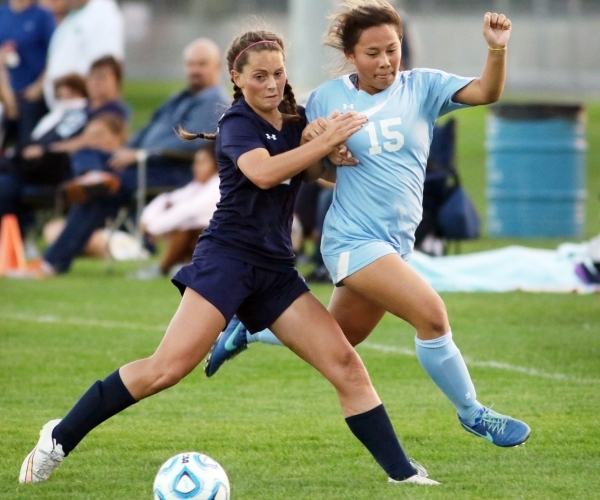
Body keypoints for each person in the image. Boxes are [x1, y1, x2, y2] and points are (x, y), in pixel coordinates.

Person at [19, 29, 439, 487]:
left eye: (278, 73)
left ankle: (404, 477)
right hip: (227, 262)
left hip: (276, 271)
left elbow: (316, 170)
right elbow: (262, 173)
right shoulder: (236, 123)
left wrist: (333, 153)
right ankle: (57, 437)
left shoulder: (295, 121)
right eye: (260, 76)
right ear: (237, 79)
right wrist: (321, 145)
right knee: (166, 369)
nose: (273, 84)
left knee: (345, 365)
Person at [205, 0, 531, 450]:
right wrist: (325, 151)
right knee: (432, 316)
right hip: (352, 240)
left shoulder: (424, 86)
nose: (385, 61)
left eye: (392, 49)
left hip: (395, 243)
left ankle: (249, 330)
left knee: (341, 340)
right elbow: (305, 165)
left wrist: (497, 50)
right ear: (351, 56)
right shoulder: (327, 99)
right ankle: (475, 413)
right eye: (373, 53)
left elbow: (486, 93)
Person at [13, 38, 230, 277]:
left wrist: (139, 154)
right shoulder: (177, 97)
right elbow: (147, 130)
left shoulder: (214, 102)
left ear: (217, 67)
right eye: (190, 64)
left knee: (101, 191)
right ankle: (91, 178)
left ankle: (51, 262)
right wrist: (125, 151)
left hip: (171, 168)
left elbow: (191, 141)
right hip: (137, 165)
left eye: (201, 64)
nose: (194, 70)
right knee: (89, 155)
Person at [137, 143, 221, 279]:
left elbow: (188, 211)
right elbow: (165, 199)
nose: (195, 168)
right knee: (175, 216)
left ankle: (163, 268)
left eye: (202, 163)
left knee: (182, 226)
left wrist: (153, 228)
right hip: (206, 239)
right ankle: (180, 266)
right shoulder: (197, 186)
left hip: (220, 242)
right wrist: (147, 220)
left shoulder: (218, 185)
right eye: (195, 163)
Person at [42, 0, 124, 109]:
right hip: (65, 105)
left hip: (84, 107)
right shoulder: (76, 14)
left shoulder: (103, 14)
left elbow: (105, 66)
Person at [0, 0, 56, 148]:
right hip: (6, 93)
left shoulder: (42, 15)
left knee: (27, 145)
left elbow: (55, 54)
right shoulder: (3, 14)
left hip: (32, 95)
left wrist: (39, 87)